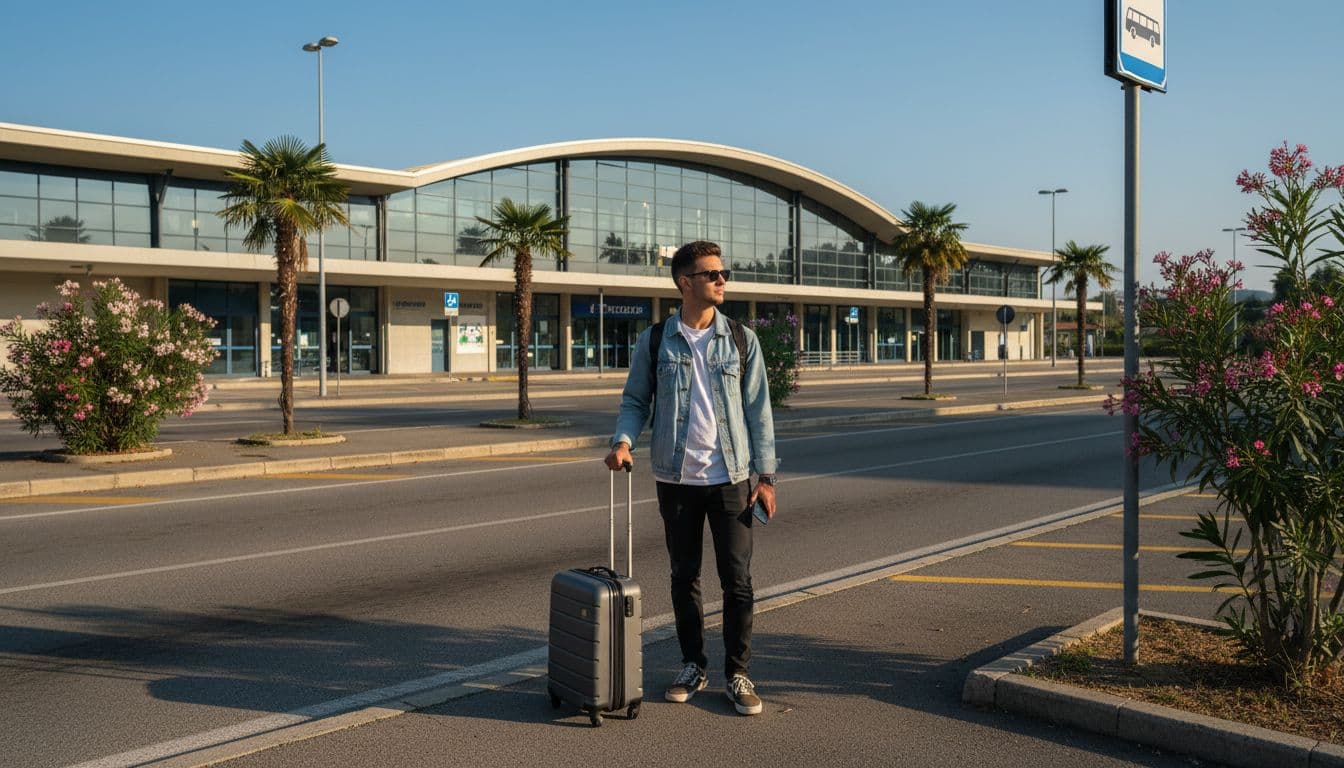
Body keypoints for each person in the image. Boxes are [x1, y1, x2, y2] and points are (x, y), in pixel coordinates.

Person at [605, 240, 778, 716]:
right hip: (676, 477)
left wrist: (766, 477)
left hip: (732, 478)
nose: (723, 280)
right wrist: (623, 442)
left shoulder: (740, 338)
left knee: (737, 581)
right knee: (684, 577)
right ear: (686, 282)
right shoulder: (656, 339)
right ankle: (693, 664)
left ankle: (738, 673)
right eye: (713, 274)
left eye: (724, 272)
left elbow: (758, 411)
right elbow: (635, 400)